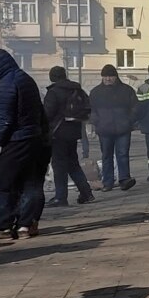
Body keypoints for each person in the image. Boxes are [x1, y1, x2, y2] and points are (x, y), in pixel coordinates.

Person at [0, 49, 49, 240]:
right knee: (30, 183)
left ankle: (2, 227)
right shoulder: (26, 79)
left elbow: (6, 118)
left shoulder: (6, 84)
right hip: (34, 138)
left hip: (16, 139)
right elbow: (39, 110)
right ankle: (24, 226)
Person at [42, 66, 94, 207]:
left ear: (53, 77)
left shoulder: (53, 93)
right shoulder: (76, 89)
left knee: (59, 166)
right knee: (73, 164)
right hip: (73, 132)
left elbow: (47, 114)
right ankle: (86, 193)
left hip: (58, 134)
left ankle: (60, 197)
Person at [89, 65, 139, 192]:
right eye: (105, 76)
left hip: (123, 128)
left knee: (122, 155)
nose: (108, 79)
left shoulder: (127, 90)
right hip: (104, 129)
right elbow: (91, 110)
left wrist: (129, 120)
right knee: (106, 156)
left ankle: (124, 180)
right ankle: (108, 182)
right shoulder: (96, 92)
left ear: (116, 77)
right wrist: (96, 122)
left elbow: (135, 107)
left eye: (111, 76)